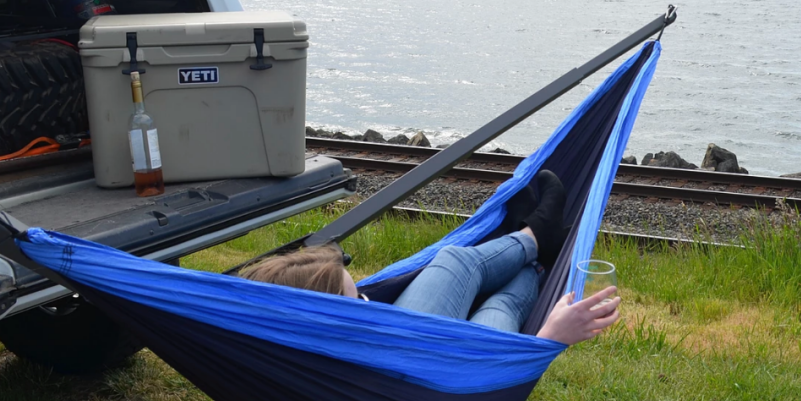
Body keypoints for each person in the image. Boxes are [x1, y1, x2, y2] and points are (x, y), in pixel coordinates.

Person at [241, 170, 620, 346]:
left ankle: (536, 255)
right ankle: (535, 239)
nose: (364, 298)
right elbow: (498, 377)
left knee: (496, 304)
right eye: (357, 299)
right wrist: (551, 338)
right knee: (459, 265)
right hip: (436, 371)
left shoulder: (287, 346)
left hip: (409, 355)